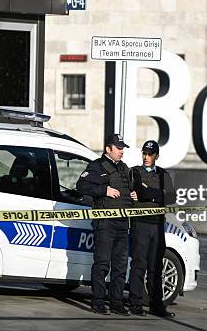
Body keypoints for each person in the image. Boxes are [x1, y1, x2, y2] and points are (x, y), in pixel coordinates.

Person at [76, 134, 137, 316]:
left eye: (123, 148)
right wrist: (104, 190)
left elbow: (127, 191)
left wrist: (134, 196)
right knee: (102, 264)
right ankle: (98, 302)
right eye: (118, 148)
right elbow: (81, 186)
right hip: (105, 222)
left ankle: (117, 303)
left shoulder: (124, 168)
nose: (121, 151)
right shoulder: (96, 166)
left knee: (120, 266)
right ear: (108, 149)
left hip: (122, 223)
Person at [128, 140, 176, 318]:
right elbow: (137, 190)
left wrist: (149, 194)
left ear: (156, 156)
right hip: (140, 224)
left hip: (157, 226)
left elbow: (171, 197)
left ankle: (157, 306)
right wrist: (157, 195)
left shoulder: (164, 175)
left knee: (156, 268)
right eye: (144, 154)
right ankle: (135, 304)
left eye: (150, 154)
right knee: (139, 266)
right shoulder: (135, 172)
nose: (146, 157)